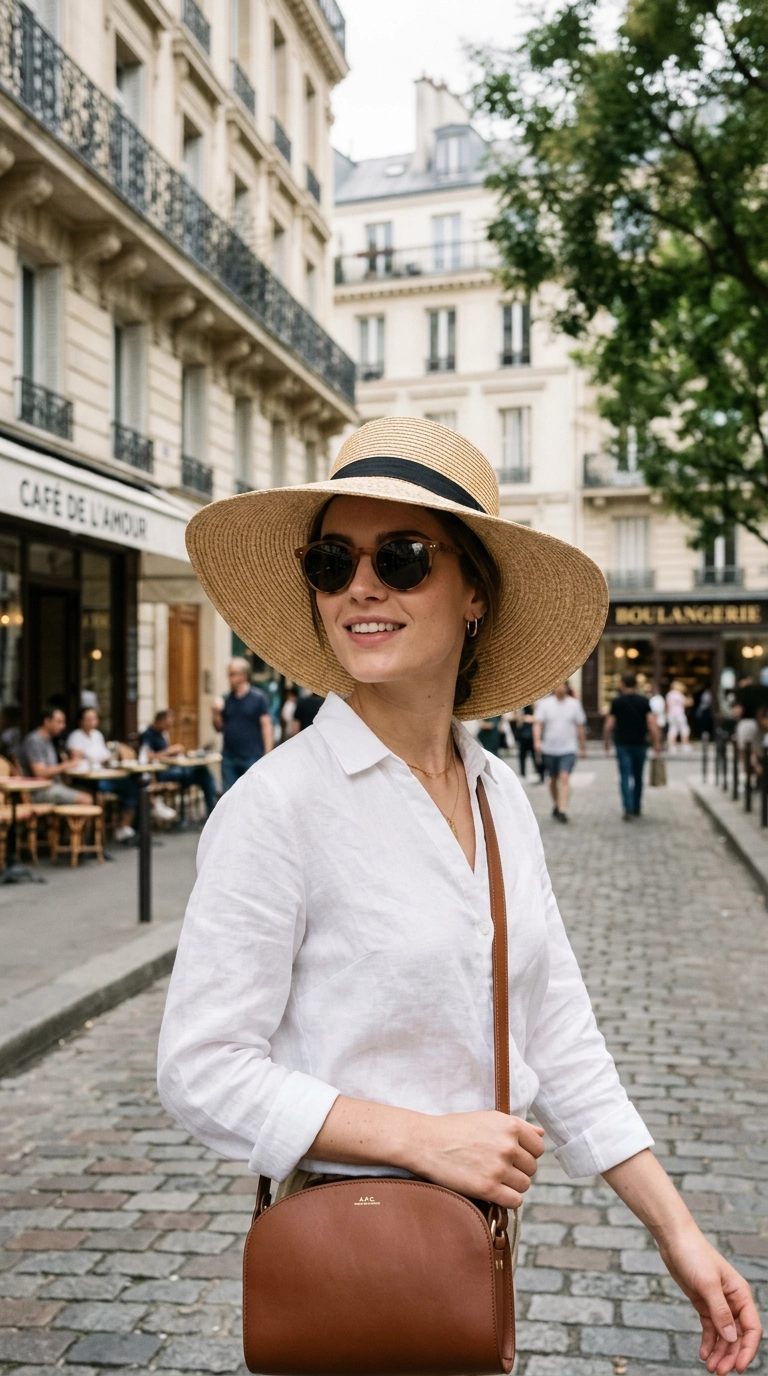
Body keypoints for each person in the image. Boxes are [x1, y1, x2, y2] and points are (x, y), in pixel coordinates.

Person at [158, 416, 761, 1373]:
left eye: (401, 557)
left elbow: (558, 1035)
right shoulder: (277, 806)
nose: (362, 585)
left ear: (473, 591)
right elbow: (200, 1067)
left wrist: (678, 1235)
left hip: (469, 1260)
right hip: (343, 1252)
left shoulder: (499, 799)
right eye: (332, 559)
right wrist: (423, 1141)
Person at [67, 706, 139, 842]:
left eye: (94, 718)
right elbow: (76, 757)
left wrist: (95, 757)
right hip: (85, 779)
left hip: (103, 774)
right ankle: (92, 836)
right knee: (98, 792)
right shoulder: (75, 737)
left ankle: (124, 827)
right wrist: (95, 758)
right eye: (88, 719)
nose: (91, 722)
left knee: (131, 785)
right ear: (81, 721)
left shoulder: (97, 735)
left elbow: (105, 756)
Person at [603, 672, 662, 820]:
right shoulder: (644, 701)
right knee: (638, 777)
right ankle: (636, 807)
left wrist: (606, 742)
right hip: (640, 743)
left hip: (622, 743)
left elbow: (609, 723)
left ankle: (627, 808)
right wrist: (656, 743)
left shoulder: (617, 701)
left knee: (624, 776)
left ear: (622, 683)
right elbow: (652, 723)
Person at [139, 709, 218, 818]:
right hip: (161, 773)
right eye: (167, 723)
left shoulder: (163, 734)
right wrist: (170, 751)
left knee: (203, 773)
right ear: (160, 721)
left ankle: (213, 809)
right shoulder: (148, 734)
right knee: (200, 773)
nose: (169, 726)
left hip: (173, 769)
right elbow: (149, 756)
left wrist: (174, 753)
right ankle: (213, 811)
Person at [212, 658, 273, 789]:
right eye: (228, 674)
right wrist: (216, 714)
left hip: (251, 756)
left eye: (232, 674)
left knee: (250, 795)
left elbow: (266, 726)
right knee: (229, 797)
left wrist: (268, 753)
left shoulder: (258, 697)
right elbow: (219, 728)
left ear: (243, 675)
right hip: (229, 757)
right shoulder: (226, 699)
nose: (229, 678)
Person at [532, 682, 587, 823]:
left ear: (567, 687)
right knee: (553, 779)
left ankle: (563, 809)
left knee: (564, 777)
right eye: (557, 685)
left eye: (563, 685)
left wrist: (583, 747)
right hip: (550, 748)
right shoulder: (545, 704)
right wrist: (537, 741)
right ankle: (556, 804)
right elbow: (538, 724)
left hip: (568, 748)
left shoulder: (574, 704)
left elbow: (580, 727)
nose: (560, 688)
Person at [18, 707, 91, 805]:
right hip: (39, 790)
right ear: (47, 722)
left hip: (54, 785)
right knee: (86, 799)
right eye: (59, 722)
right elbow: (40, 773)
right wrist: (67, 765)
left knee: (89, 792)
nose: (63, 726)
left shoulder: (48, 740)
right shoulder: (34, 741)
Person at [666, 679, 691, 749]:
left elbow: (667, 706)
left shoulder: (669, 694)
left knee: (672, 729)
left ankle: (671, 746)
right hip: (679, 714)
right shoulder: (679, 694)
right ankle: (685, 745)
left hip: (671, 714)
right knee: (684, 729)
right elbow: (685, 703)